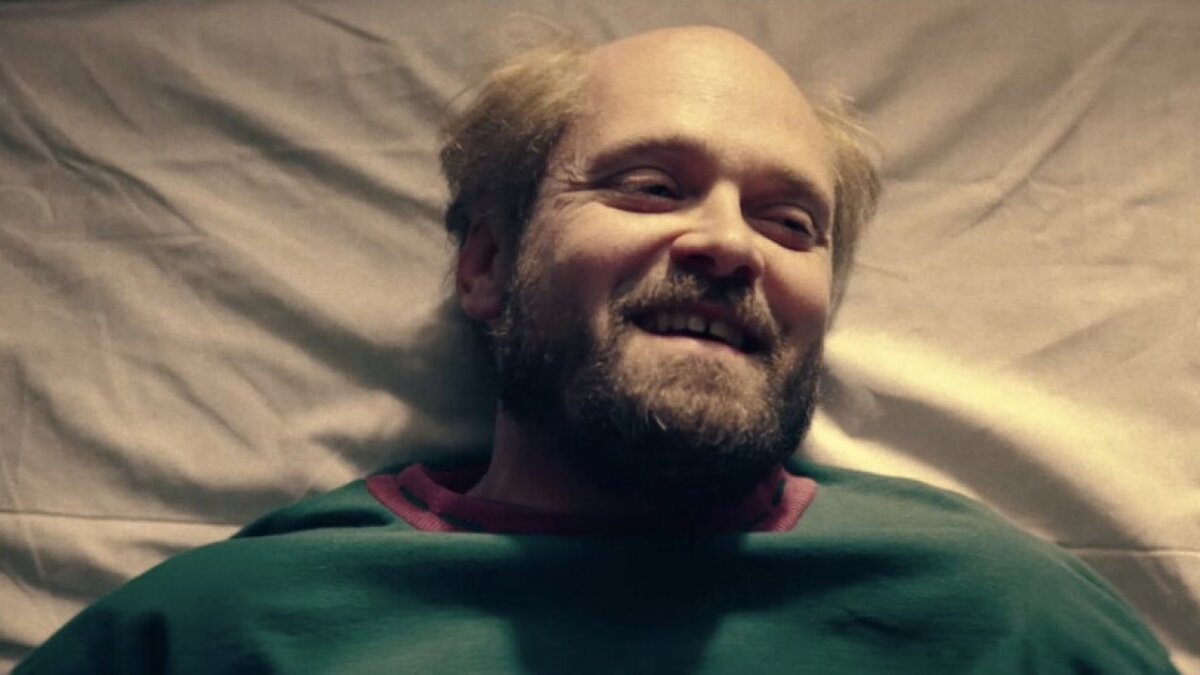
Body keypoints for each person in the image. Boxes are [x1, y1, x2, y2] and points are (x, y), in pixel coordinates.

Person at [16, 26, 1177, 674]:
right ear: (486, 266)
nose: (728, 245)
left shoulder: (1001, 617)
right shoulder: (223, 629)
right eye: (649, 187)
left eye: (790, 223)